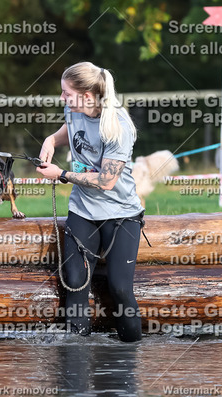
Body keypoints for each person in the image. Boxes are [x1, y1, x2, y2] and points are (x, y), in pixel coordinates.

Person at [36, 61, 144, 342]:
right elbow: (69, 130)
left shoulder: (119, 126)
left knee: (120, 288)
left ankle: (132, 351)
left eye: (66, 93)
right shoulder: (73, 110)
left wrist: (61, 174)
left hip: (121, 214)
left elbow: (106, 181)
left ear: (86, 96)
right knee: (75, 283)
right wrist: (51, 140)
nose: (62, 97)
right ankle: (75, 352)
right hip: (82, 210)